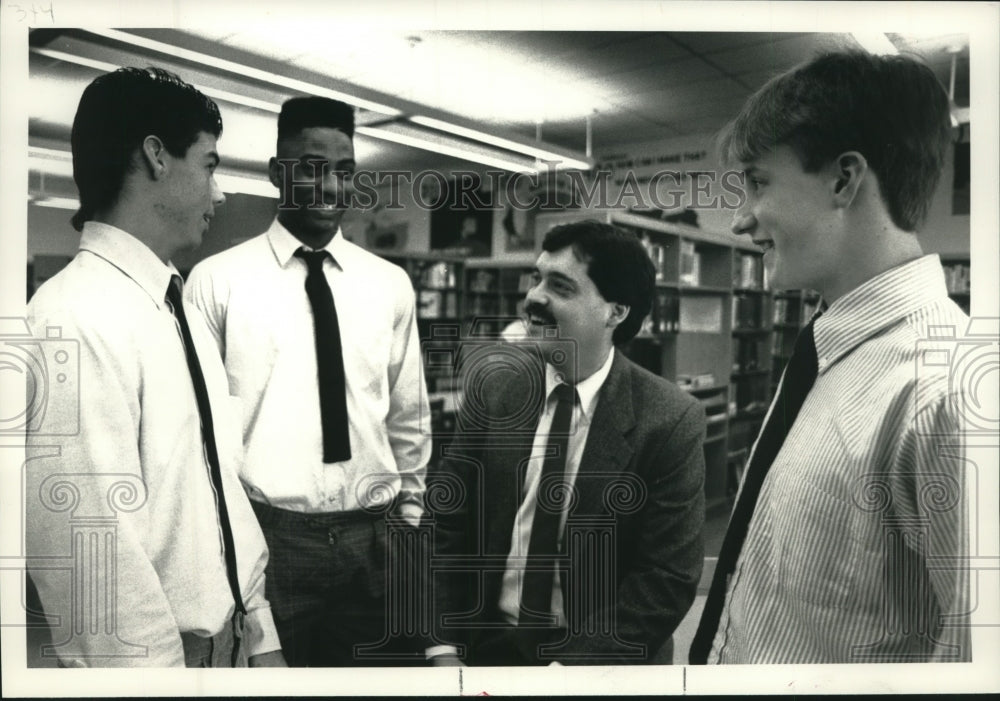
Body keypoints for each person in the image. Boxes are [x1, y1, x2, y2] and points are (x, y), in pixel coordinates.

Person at [689, 50, 971, 664]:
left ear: (845, 179)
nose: (740, 221)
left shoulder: (946, 392)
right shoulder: (826, 348)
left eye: (759, 182)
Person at [25, 67, 284, 667]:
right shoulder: (71, 321)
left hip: (232, 644)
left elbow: (215, 491)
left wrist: (260, 633)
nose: (219, 194)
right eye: (211, 164)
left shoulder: (177, 308)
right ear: (156, 157)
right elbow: (96, 571)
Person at [186, 97, 432, 666]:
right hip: (272, 539)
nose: (329, 186)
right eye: (311, 167)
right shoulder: (217, 282)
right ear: (277, 174)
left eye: (343, 171)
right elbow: (202, 439)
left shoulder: (388, 284)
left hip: (375, 537)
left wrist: (411, 525)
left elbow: (407, 417)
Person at [427, 219, 706, 665]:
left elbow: (665, 579)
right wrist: (441, 647)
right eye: (536, 278)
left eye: (560, 286)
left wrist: (568, 674)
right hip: (486, 647)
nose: (534, 296)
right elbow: (446, 527)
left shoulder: (671, 420)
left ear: (615, 312)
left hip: (600, 660)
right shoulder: (494, 389)